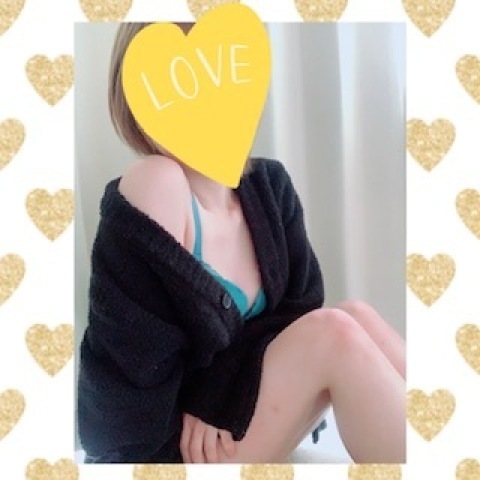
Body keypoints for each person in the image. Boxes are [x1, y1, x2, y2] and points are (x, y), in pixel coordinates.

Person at [77, 22, 406, 464]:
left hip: (228, 416)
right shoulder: (156, 184)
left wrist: (222, 393)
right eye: (183, 82)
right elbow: (137, 363)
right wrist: (218, 397)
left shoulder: (268, 186)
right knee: (335, 332)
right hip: (167, 448)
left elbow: (300, 310)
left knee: (354, 315)